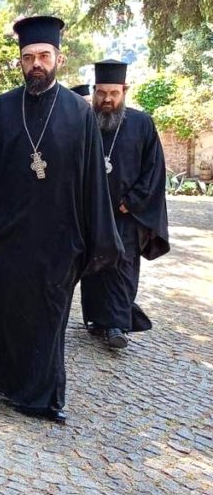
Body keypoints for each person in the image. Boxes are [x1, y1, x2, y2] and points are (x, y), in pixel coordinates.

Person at [0, 16, 122, 424]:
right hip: (8, 237)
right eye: (28, 57)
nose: (36, 63)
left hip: (60, 240)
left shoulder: (78, 112)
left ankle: (46, 397)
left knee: (49, 318)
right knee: (11, 313)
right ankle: (13, 382)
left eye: (43, 56)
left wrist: (93, 238)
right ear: (20, 61)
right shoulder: (1, 107)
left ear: (58, 58)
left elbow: (92, 181)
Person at [80, 59, 170, 349]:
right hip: (92, 212)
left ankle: (117, 324)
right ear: (95, 91)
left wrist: (132, 202)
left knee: (122, 265)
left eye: (113, 93)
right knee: (93, 264)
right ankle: (96, 319)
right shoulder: (85, 123)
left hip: (124, 213)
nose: (107, 99)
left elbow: (154, 169)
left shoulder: (142, 124)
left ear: (124, 91)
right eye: (102, 93)